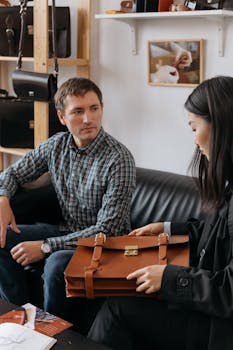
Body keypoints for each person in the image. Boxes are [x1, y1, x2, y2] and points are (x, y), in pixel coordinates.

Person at [88, 75, 233, 350]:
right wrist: (165, 228)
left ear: (220, 125)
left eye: (194, 128)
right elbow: (217, 234)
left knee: (120, 307)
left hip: (220, 327)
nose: (194, 141)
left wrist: (168, 279)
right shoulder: (229, 185)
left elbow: (229, 291)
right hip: (208, 306)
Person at [0, 77, 136, 328]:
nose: (88, 119)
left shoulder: (119, 159)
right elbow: (13, 173)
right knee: (1, 238)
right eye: (78, 111)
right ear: (62, 117)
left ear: (102, 109)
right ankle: (22, 318)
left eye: (94, 109)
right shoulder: (56, 145)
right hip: (67, 231)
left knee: (55, 264)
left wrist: (44, 246)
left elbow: (108, 230)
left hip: (107, 246)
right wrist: (2, 197)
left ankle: (54, 334)